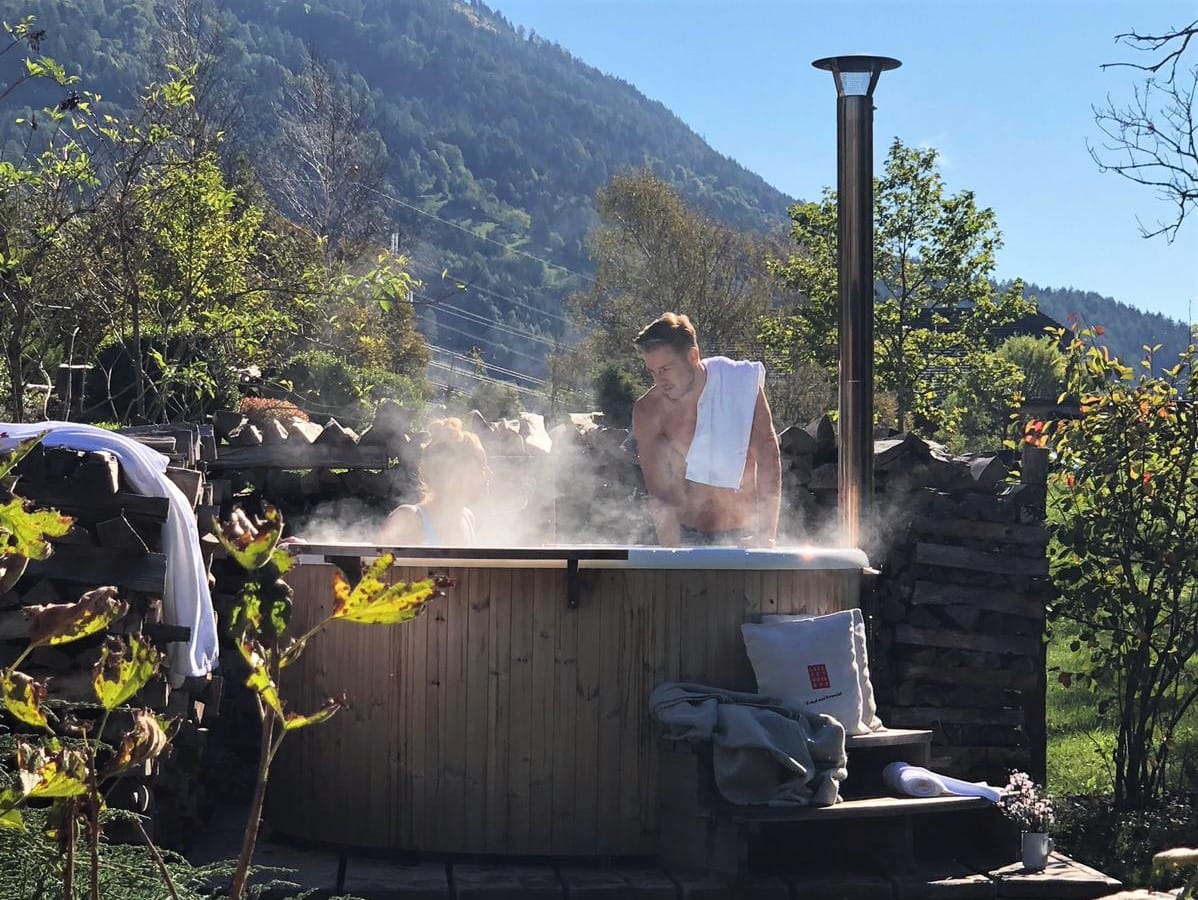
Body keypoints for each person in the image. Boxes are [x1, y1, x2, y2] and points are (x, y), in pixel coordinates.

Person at [631, 312, 780, 547]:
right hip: (686, 532)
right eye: (652, 372)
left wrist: (766, 533)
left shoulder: (740, 385)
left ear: (693, 356)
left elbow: (768, 453)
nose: (659, 380)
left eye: (666, 369)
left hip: (744, 534)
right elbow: (659, 491)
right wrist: (672, 550)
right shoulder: (649, 410)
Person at [377, 417, 489, 546]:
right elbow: (379, 560)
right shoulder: (408, 520)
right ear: (454, 474)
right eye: (481, 468)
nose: (487, 474)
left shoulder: (467, 518)